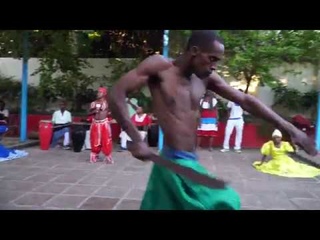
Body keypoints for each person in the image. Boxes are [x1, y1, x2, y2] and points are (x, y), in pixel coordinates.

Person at [108, 30, 317, 210]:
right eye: (212, 59)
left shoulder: (206, 78)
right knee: (227, 201)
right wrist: (135, 137)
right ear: (195, 51)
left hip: (187, 161)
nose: (215, 66)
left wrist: (289, 127)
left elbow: (245, 100)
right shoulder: (160, 67)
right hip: (174, 162)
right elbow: (116, 93)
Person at [253, 129, 320, 178]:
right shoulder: (269, 144)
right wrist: (261, 162)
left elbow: (292, 151)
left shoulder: (284, 144)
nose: (276, 139)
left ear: (281, 138)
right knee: (278, 167)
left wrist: (294, 146)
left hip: (285, 159)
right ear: (272, 138)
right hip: (275, 161)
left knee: (293, 168)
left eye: (278, 137)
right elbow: (265, 154)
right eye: (275, 137)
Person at [88, 87, 113, 164]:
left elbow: (113, 111)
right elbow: (88, 113)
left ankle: (108, 156)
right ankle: (94, 155)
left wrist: (111, 115)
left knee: (106, 140)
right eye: (98, 92)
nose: (98, 94)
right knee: (94, 140)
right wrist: (95, 111)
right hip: (95, 123)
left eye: (100, 92)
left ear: (104, 94)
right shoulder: (93, 103)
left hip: (104, 123)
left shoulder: (107, 103)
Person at [221, 89, 245, 153]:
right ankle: (226, 147)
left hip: (239, 119)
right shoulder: (231, 101)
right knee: (227, 133)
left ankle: (237, 148)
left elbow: (246, 110)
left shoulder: (243, 101)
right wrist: (228, 117)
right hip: (231, 119)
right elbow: (228, 109)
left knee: (239, 134)